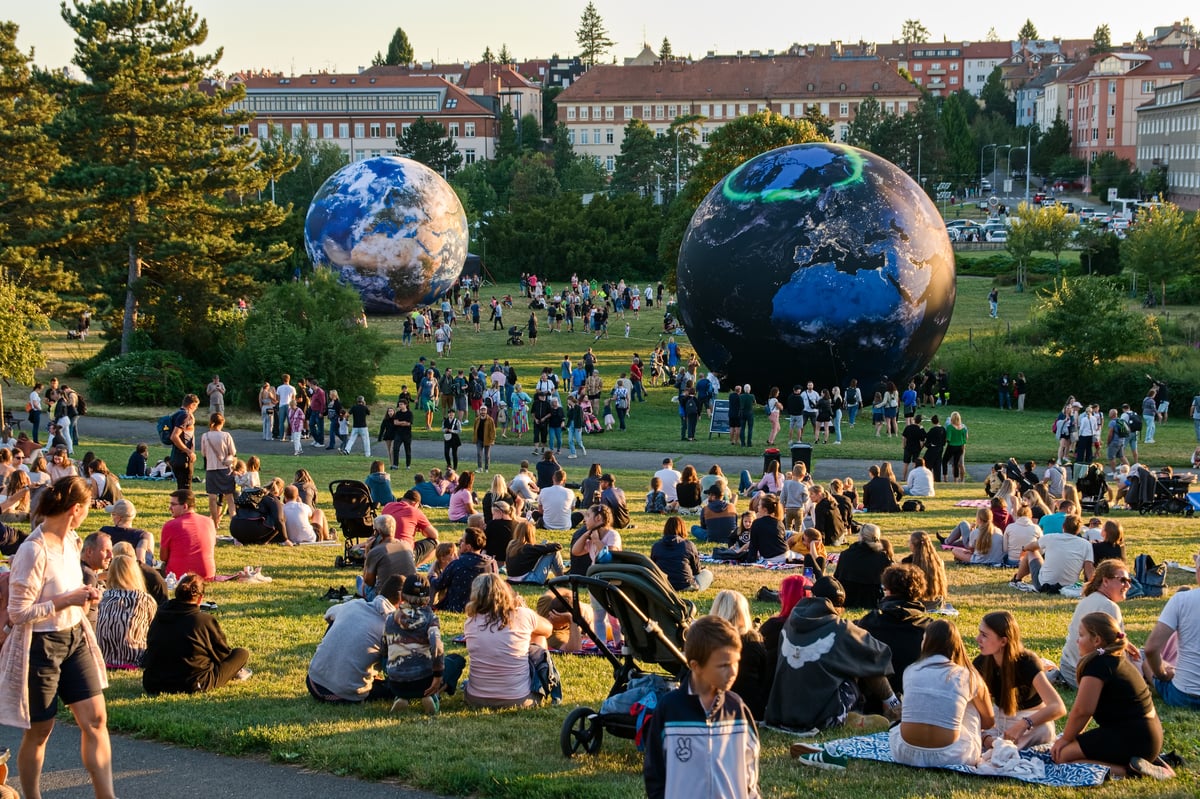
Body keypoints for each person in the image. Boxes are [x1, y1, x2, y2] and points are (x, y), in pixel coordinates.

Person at [0, 476, 116, 799]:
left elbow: (66, 590)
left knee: (96, 719)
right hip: (41, 647)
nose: (89, 513)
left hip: (74, 638)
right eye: (88, 508)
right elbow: (18, 613)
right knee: (40, 731)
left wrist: (84, 594)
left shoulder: (73, 542)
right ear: (75, 509)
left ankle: (107, 796)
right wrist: (65, 600)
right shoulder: (33, 551)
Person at [766, 576, 900, 735]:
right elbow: (877, 655)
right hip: (818, 718)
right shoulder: (841, 628)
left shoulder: (790, 622)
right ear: (839, 607)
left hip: (781, 713)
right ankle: (892, 707)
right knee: (863, 658)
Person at [644, 616, 760, 799]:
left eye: (736, 662)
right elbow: (655, 771)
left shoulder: (736, 709)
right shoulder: (670, 710)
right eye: (723, 665)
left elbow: (750, 765)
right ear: (696, 666)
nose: (733, 672)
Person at [1051, 612, 1174, 780]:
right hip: (1147, 736)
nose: (1077, 640)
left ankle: (1132, 772)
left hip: (1135, 738)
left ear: (1097, 640)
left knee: (1062, 757)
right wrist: (1072, 738)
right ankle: (1149, 762)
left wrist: (1065, 739)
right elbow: (1086, 711)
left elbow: (1082, 711)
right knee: (1068, 749)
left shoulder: (1098, 664)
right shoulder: (1113, 658)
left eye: (1081, 635)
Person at [889, 620, 994, 769]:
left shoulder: (911, 670)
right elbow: (989, 722)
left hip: (905, 753)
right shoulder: (968, 676)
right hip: (952, 756)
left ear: (926, 643)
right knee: (969, 705)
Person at [455, 573, 555, 709]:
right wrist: (525, 612)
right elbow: (548, 629)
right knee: (540, 637)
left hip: (476, 699)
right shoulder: (522, 615)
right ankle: (540, 684)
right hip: (519, 699)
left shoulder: (470, 621)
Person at [142, 575, 250, 695]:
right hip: (192, 683)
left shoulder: (160, 615)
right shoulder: (203, 620)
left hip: (153, 683)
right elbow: (223, 655)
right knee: (241, 653)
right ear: (200, 599)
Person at [973, 611, 1066, 749]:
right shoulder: (981, 662)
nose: (977, 639)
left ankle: (999, 748)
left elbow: (1058, 707)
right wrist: (985, 737)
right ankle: (995, 746)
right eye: (980, 633)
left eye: (984, 635)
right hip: (998, 719)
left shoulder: (1027, 662)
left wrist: (1024, 724)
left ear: (1003, 641)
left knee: (1045, 730)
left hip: (1030, 722)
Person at [305, 575, 399, 704]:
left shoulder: (354, 604)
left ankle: (331, 666)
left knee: (336, 620)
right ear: (402, 603)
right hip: (345, 694)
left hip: (313, 682)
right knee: (395, 687)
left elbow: (329, 614)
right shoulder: (390, 627)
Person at [858, 564, 932, 697]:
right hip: (918, 696)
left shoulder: (870, 622)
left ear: (889, 591)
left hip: (875, 699)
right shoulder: (930, 628)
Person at [1059, 560, 1135, 689]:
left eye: (1129, 581)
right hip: (1089, 677)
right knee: (1144, 657)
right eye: (1122, 580)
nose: (1128, 585)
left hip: (1068, 669)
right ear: (1105, 581)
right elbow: (1117, 652)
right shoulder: (1109, 606)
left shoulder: (1087, 599)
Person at [382, 573, 451, 715]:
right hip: (423, 680)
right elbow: (436, 645)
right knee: (454, 661)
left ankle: (401, 697)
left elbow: (384, 647)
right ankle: (430, 696)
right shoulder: (431, 618)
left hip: (396, 680)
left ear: (402, 596)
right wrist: (438, 675)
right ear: (428, 598)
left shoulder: (390, 618)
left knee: (390, 656)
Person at [1142, 553, 1200, 709]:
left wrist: (1162, 674)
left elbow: (1151, 649)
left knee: (1147, 663)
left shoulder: (1181, 600)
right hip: (1186, 692)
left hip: (1185, 696)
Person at [709, 591, 770, 721]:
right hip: (750, 710)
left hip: (713, 708)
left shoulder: (706, 641)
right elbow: (765, 677)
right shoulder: (753, 642)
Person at [95, 554, 157, 669]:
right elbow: (154, 632)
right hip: (136, 658)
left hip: (103, 658)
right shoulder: (145, 600)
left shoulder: (102, 598)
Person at [1014, 514, 1094, 593]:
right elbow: (1089, 569)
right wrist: (1093, 586)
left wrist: (1024, 549)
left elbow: (1031, 547)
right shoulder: (1086, 544)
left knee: (1031, 552)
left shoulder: (1050, 537)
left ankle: (1017, 579)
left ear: (1063, 527)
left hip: (1044, 584)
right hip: (1069, 586)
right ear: (1079, 530)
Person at [431, 528, 496, 612]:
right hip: (484, 608)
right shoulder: (491, 563)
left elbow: (438, 584)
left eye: (462, 541)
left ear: (468, 547)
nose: (460, 543)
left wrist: (432, 575)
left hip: (457, 607)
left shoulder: (457, 564)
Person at [159, 490, 216, 581]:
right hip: (207, 574)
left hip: (179, 576)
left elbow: (163, 557)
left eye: (173, 505)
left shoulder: (170, 525)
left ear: (185, 506)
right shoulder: (209, 522)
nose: (170, 508)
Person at [834, 523, 894, 609]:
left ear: (861, 536)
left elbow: (837, 577)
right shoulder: (882, 557)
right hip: (872, 599)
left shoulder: (846, 554)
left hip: (847, 598)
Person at [650, 517, 714, 592]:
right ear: (682, 529)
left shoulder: (656, 546)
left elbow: (652, 568)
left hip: (663, 585)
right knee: (708, 574)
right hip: (685, 586)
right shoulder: (688, 545)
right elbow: (696, 571)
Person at [199, 413, 236, 530]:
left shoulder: (205, 436)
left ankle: (215, 523)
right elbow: (233, 452)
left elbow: (203, 453)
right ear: (222, 422)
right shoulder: (226, 435)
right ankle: (233, 522)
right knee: (230, 498)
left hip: (211, 469)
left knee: (212, 497)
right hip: (225, 469)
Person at [98, 499, 154, 567]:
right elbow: (142, 560)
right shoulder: (141, 535)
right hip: (132, 571)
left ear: (118, 518)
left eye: (112, 515)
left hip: (108, 571)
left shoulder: (105, 531)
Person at [167, 394, 200, 491]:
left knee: (181, 487)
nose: (196, 409)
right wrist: (188, 451)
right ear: (191, 405)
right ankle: (184, 505)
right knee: (186, 489)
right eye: (196, 406)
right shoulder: (185, 416)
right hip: (183, 458)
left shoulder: (177, 414)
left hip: (176, 456)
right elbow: (174, 436)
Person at [746, 494, 787, 564]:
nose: (758, 507)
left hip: (771, 558)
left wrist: (750, 561)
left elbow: (753, 546)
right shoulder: (779, 522)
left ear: (764, 509)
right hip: (785, 555)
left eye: (759, 505)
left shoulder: (757, 523)